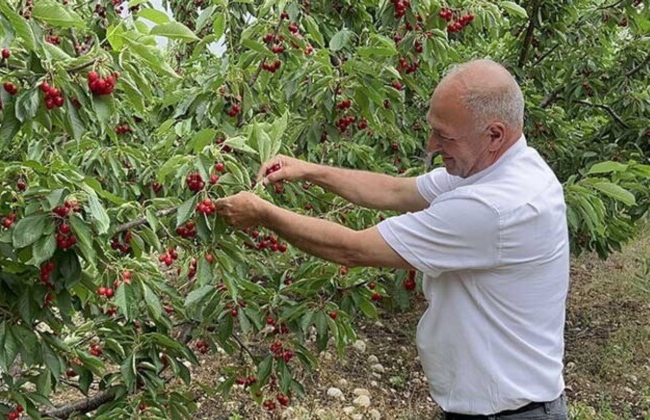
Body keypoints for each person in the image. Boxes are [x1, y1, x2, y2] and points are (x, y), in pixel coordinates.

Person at [216, 59, 569, 419]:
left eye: (444, 136)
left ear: (494, 135)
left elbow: (350, 249)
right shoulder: (494, 167)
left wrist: (263, 214)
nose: (431, 146)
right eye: (432, 130)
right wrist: (309, 171)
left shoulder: (493, 208)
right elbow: (394, 191)